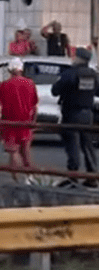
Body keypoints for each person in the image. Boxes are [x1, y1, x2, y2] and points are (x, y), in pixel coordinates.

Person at [51, 47, 99, 184]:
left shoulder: (70, 73)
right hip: (88, 114)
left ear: (78, 58)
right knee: (87, 146)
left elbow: (55, 90)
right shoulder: (93, 74)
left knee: (73, 145)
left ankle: (73, 176)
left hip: (72, 113)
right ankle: (92, 177)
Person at [0, 57, 38, 182]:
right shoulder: (30, 84)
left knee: (13, 152)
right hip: (26, 122)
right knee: (26, 152)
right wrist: (33, 122)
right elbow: (34, 106)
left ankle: (16, 179)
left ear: (10, 70)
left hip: (9, 122)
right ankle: (29, 177)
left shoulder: (4, 85)